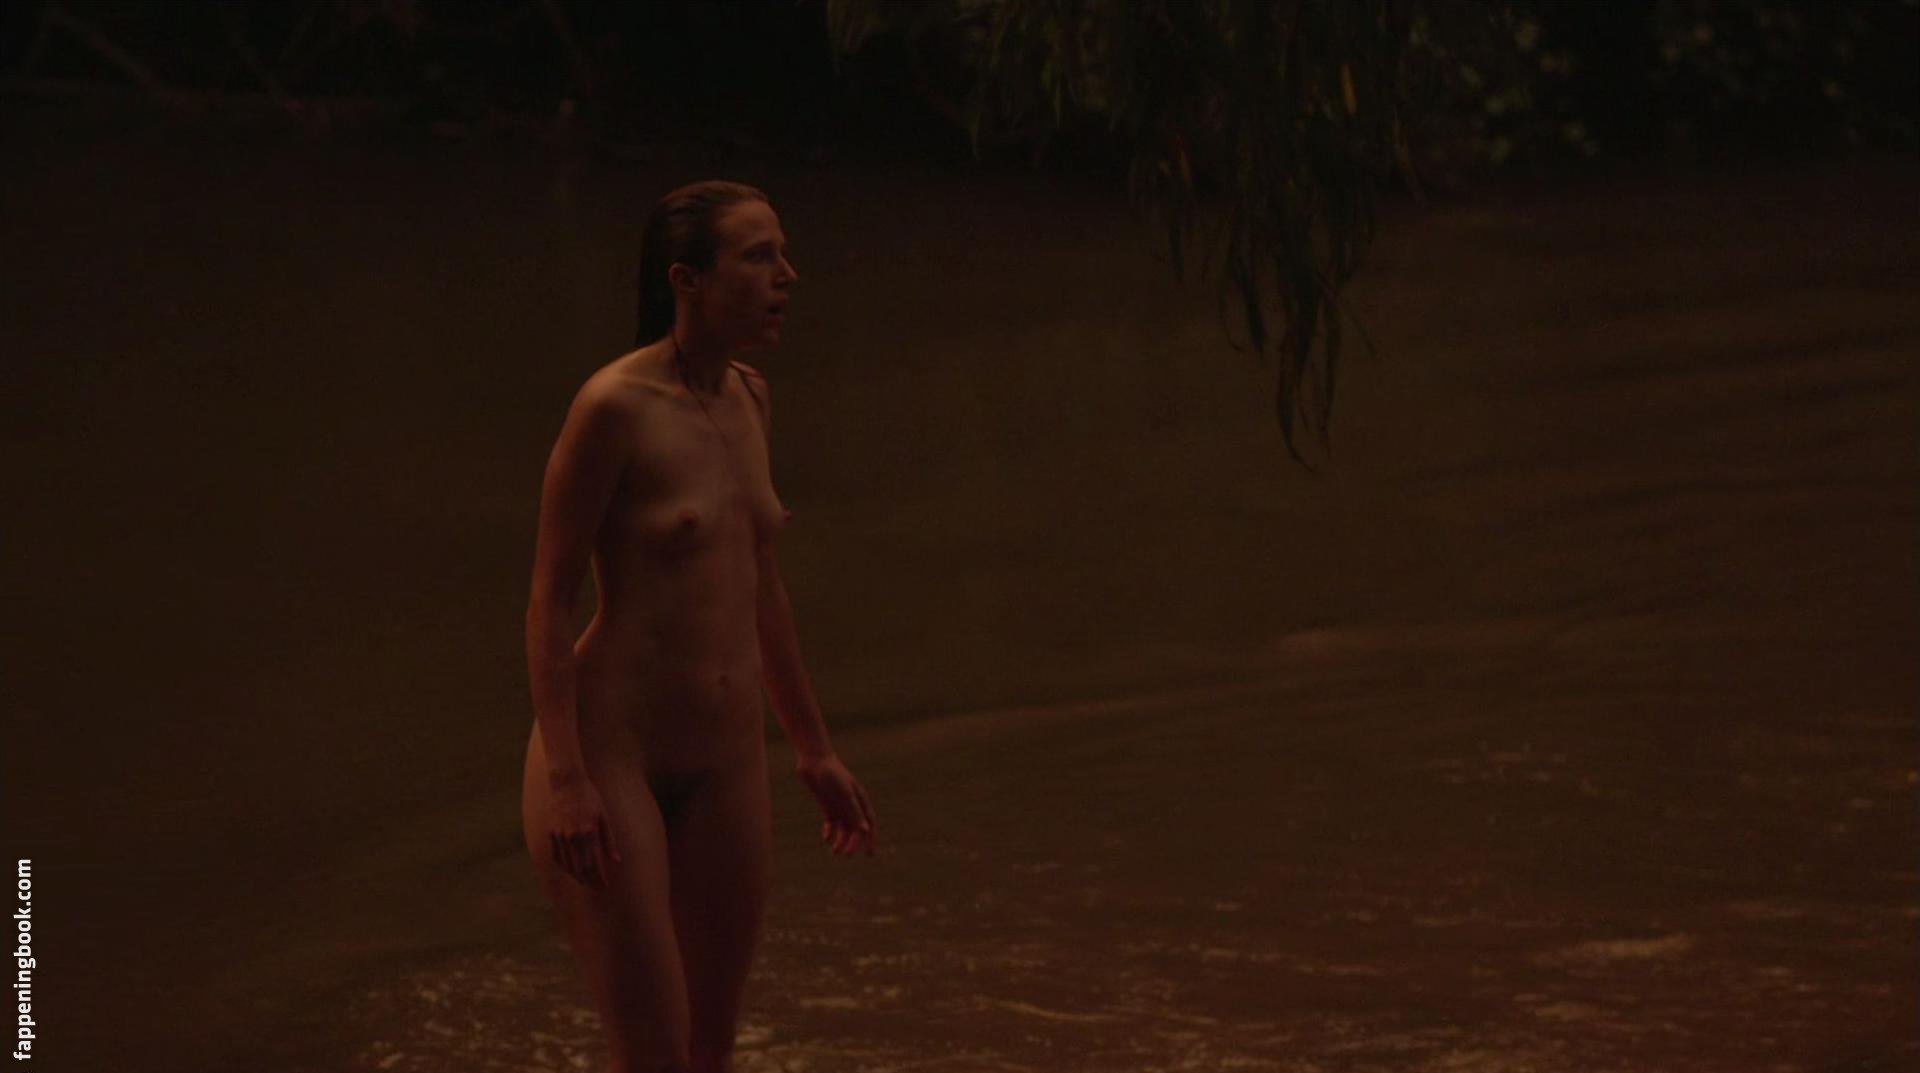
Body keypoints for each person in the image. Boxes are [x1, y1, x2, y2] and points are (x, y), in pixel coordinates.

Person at [520, 179, 878, 1073]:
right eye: (759, 257)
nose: (787, 276)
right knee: (653, 1057)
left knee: (709, 1053)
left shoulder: (751, 397)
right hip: (612, 756)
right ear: (688, 280)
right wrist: (566, 778)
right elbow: (549, 599)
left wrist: (814, 749)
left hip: (725, 755)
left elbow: (762, 586)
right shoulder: (613, 408)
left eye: (782, 253)